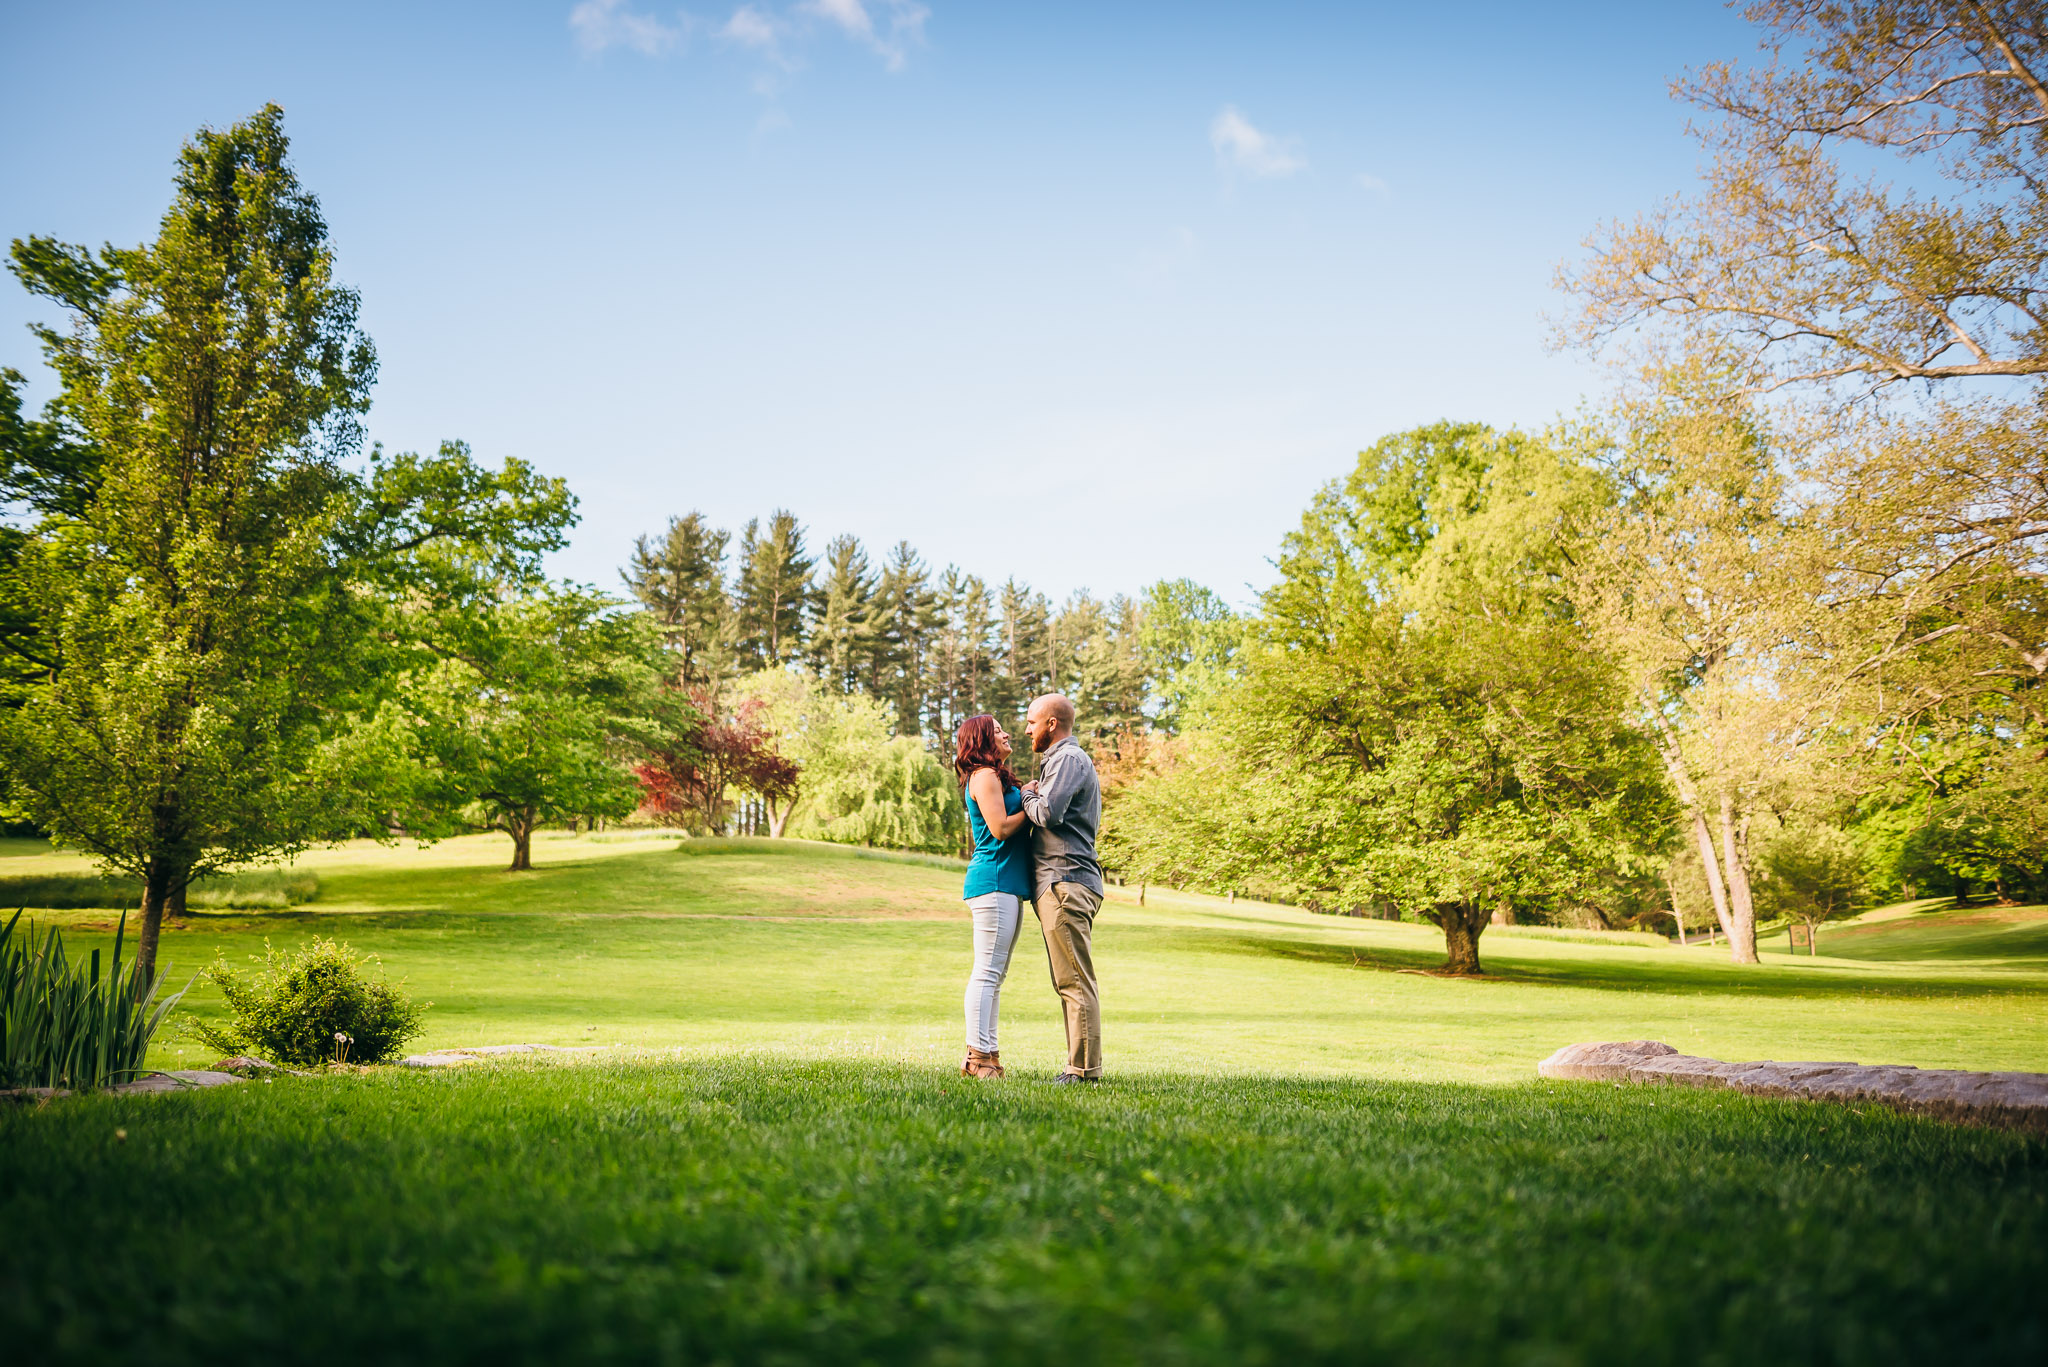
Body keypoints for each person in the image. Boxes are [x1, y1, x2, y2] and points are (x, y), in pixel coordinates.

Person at [1020, 692, 1104, 1083]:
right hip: (1062, 882)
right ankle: (1080, 1067)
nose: (1027, 730)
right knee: (1068, 979)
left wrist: (1026, 792)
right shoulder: (1063, 760)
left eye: (1031, 722)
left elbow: (1047, 813)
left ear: (1052, 724)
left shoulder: (1068, 759)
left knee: (1074, 980)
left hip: (1065, 881)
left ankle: (1083, 1070)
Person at [954, 713, 1033, 1079]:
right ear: (983, 739)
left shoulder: (994, 776)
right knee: (986, 973)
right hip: (993, 881)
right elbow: (1000, 829)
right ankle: (976, 1058)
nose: (1006, 733)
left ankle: (990, 1056)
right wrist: (1033, 807)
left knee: (995, 975)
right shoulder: (983, 776)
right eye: (998, 730)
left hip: (1007, 885)